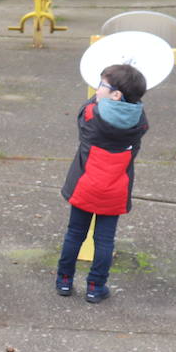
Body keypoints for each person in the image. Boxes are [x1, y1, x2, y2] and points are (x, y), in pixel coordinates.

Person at [55, 63, 148, 303]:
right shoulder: (139, 124)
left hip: (85, 186)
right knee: (105, 240)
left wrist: (96, 101)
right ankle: (95, 287)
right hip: (115, 191)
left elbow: (84, 111)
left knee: (75, 234)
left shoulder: (89, 115)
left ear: (115, 95)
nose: (97, 90)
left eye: (101, 85)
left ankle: (64, 280)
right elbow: (138, 113)